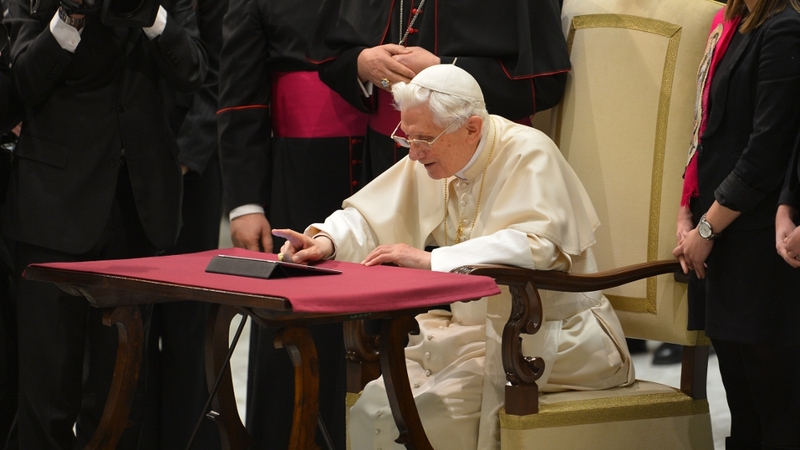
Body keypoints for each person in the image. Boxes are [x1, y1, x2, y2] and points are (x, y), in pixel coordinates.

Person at [275, 64, 634, 450]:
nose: (413, 154)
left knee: (423, 422)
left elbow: (538, 246)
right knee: (371, 413)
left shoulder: (529, 152)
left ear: (472, 128)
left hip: (546, 337)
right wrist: (327, 240)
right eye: (406, 138)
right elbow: (373, 215)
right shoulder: (439, 151)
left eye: (422, 140)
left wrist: (432, 261)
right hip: (466, 336)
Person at [2, 0, 207, 446]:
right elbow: (23, 83)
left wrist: (151, 14)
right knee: (47, 396)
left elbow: (192, 71)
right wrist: (70, 16)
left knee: (122, 397)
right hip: (52, 212)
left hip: (140, 211)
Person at [216, 0, 368, 447]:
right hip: (300, 173)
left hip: (390, 161)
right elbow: (241, 97)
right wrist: (246, 203)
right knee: (296, 329)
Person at [674, 0, 800, 448]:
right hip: (720, 235)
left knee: (778, 412)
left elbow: (767, 151)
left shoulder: (784, 28)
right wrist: (686, 210)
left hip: (758, 241)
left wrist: (706, 229)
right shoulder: (732, 24)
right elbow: (704, 127)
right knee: (743, 411)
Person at [306, 0, 570, 184]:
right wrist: (363, 63)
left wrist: (443, 68)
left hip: (480, 158)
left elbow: (542, 84)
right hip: (389, 156)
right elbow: (330, 56)